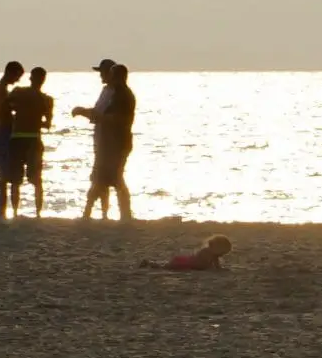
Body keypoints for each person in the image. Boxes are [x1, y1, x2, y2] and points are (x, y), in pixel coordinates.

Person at [71, 58, 118, 220]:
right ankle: (103, 214)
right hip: (100, 141)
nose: (100, 76)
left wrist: (82, 111)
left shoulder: (115, 94)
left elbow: (102, 116)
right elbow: (97, 112)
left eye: (102, 73)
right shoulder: (106, 91)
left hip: (108, 143)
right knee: (103, 179)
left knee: (99, 179)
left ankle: (88, 212)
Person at [89, 64, 135, 221]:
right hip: (110, 141)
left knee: (113, 177)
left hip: (118, 142)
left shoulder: (122, 95)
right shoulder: (116, 94)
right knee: (106, 177)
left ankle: (125, 214)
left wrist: (86, 113)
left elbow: (116, 120)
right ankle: (117, 214)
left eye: (112, 75)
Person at [6, 67, 53, 218]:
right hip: (33, 138)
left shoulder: (19, 93)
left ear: (31, 78)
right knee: (36, 179)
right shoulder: (46, 100)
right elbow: (47, 124)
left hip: (18, 138)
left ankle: (15, 212)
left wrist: (19, 117)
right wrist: (34, 119)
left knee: (16, 178)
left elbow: (4, 108)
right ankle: (38, 213)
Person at [0, 61, 24, 217]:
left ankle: (7, 210)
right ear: (10, 72)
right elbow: (3, 110)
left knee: (7, 173)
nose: (17, 80)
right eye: (17, 76)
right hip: (4, 131)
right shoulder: (0, 89)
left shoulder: (0, 89)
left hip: (3, 130)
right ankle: (4, 210)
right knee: (7, 173)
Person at [140, 235, 231, 271]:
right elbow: (201, 264)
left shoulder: (214, 255)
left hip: (189, 264)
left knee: (166, 266)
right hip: (186, 262)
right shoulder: (206, 252)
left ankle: (151, 263)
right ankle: (149, 263)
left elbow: (217, 266)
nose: (222, 255)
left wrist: (220, 269)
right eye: (223, 252)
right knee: (165, 266)